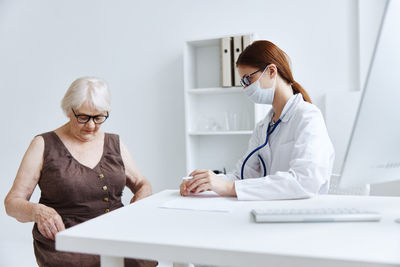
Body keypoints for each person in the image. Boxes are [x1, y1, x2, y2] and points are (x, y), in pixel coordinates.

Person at [4, 77, 157, 267]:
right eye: (83, 117)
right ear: (69, 110)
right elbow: (12, 203)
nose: (91, 125)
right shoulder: (43, 144)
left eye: (99, 117)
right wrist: (38, 211)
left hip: (116, 234)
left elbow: (142, 183)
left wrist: (140, 201)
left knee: (144, 258)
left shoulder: (114, 143)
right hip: (66, 241)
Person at [180, 40, 335, 200]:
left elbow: (306, 182)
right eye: (243, 82)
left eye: (248, 79)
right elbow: (243, 177)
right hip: (270, 211)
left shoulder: (308, 116)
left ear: (271, 71)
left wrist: (228, 186)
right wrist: (202, 183)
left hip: (301, 213)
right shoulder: (263, 127)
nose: (245, 88)